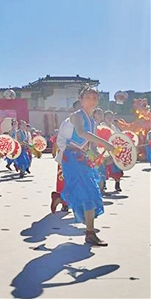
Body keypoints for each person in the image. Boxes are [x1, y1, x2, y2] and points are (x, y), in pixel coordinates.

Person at [60, 86, 114, 246]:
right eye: (88, 97)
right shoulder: (76, 116)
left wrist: (103, 157)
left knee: (91, 192)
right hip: (72, 158)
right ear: (81, 99)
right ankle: (90, 233)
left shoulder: (92, 120)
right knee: (87, 192)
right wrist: (105, 143)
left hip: (82, 158)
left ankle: (90, 232)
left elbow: (91, 146)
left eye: (95, 98)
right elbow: (82, 133)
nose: (92, 101)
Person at [50, 100, 81, 213]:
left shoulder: (86, 122)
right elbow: (61, 140)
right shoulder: (67, 123)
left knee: (79, 180)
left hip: (81, 156)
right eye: (78, 109)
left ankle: (71, 201)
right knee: (64, 179)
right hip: (67, 155)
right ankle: (64, 202)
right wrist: (68, 151)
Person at [102, 110, 123, 192]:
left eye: (111, 117)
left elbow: (120, 138)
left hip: (114, 151)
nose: (110, 118)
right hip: (103, 151)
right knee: (103, 168)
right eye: (108, 117)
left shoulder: (115, 128)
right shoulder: (101, 127)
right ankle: (103, 184)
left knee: (117, 168)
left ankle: (117, 184)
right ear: (104, 118)